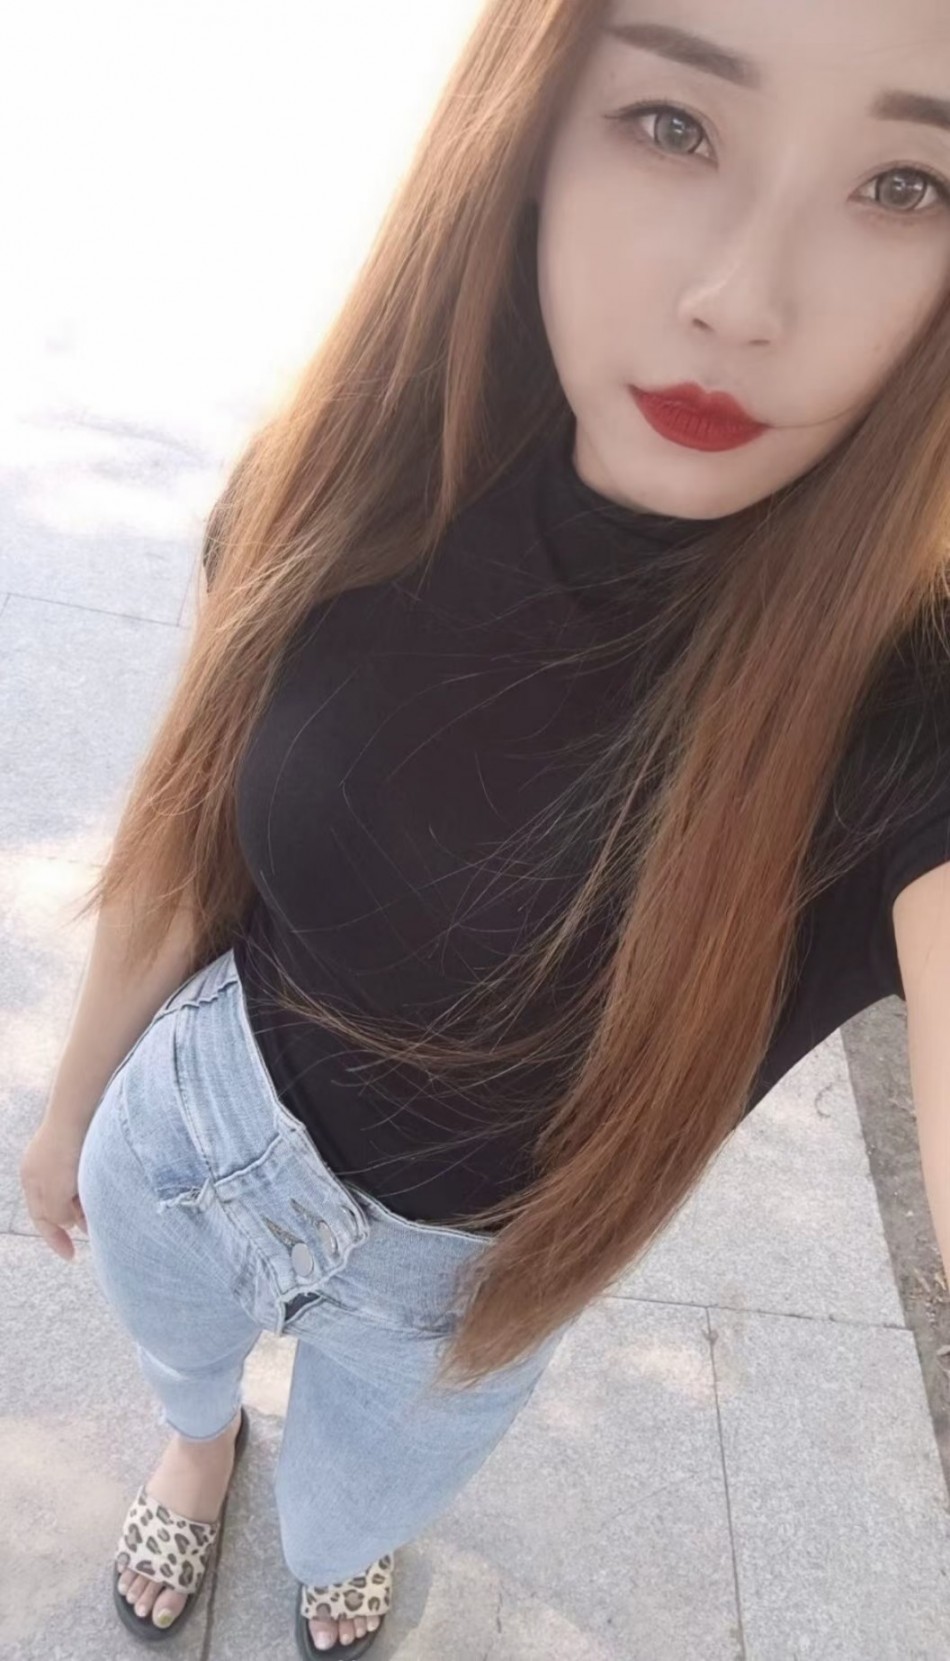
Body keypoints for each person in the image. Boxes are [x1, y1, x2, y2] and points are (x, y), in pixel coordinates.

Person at [19, 0, 950, 1654]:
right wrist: (73, 1099)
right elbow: (180, 835)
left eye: (904, 185)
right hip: (192, 1128)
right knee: (177, 1360)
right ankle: (200, 1438)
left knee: (353, 1516)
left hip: (464, 1284)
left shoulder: (903, 711)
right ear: (531, 133)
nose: (741, 298)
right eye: (673, 125)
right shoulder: (349, 477)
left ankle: (329, 1534)